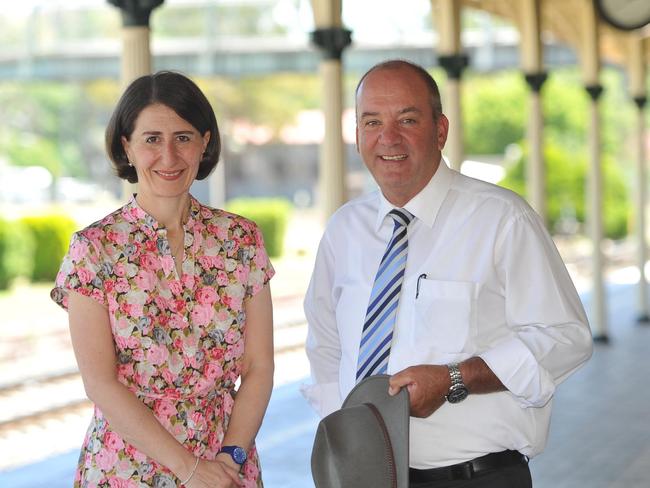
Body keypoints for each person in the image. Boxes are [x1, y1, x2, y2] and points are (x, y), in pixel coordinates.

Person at [302, 59, 593, 487]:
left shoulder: (502, 219)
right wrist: (345, 436)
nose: (388, 137)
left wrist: (456, 378)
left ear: (440, 130)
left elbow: (566, 336)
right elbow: (325, 347)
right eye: (371, 122)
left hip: (475, 477)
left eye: (407, 119)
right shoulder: (344, 230)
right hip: (367, 477)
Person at [51, 71, 274, 488]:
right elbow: (100, 383)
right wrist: (191, 470)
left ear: (205, 143)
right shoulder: (94, 249)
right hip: (125, 468)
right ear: (127, 148)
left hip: (226, 463)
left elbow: (260, 367)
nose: (169, 156)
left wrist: (229, 458)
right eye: (152, 139)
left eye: (183, 137)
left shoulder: (242, 239)